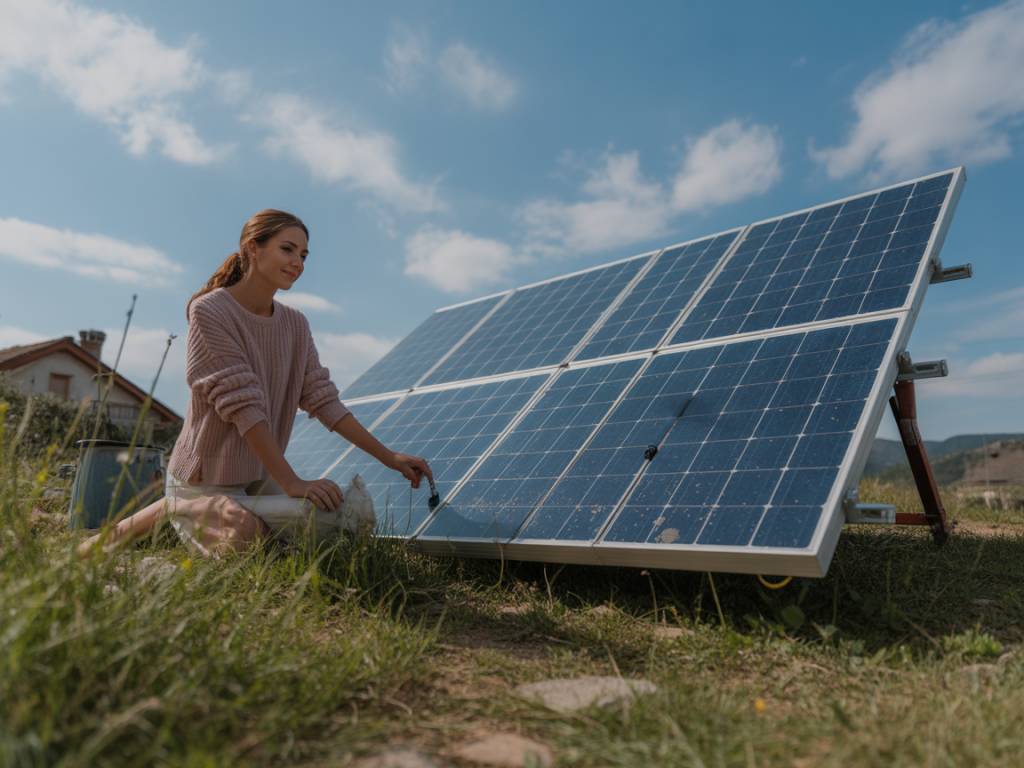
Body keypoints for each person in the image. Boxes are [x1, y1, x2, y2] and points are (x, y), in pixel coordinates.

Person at [78, 209, 431, 558]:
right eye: (287, 249)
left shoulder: (296, 324)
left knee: (342, 525)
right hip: (205, 479)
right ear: (252, 248)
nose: (298, 262)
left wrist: (390, 457)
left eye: (304, 255)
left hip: (256, 477)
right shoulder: (210, 311)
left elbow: (323, 400)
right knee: (252, 541)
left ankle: (179, 511)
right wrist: (292, 482)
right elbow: (243, 405)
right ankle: (177, 507)